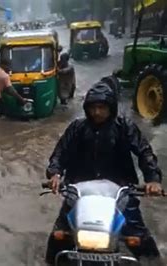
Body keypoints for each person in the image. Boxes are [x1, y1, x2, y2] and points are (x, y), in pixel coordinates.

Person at [44, 82, 163, 265]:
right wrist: (55, 174)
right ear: (86, 108)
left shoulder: (125, 126)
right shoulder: (77, 128)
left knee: (139, 237)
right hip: (79, 192)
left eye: (102, 107)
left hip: (120, 191)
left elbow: (144, 152)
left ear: (111, 108)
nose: (97, 112)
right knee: (59, 236)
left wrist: (153, 180)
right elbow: (60, 153)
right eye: (93, 107)